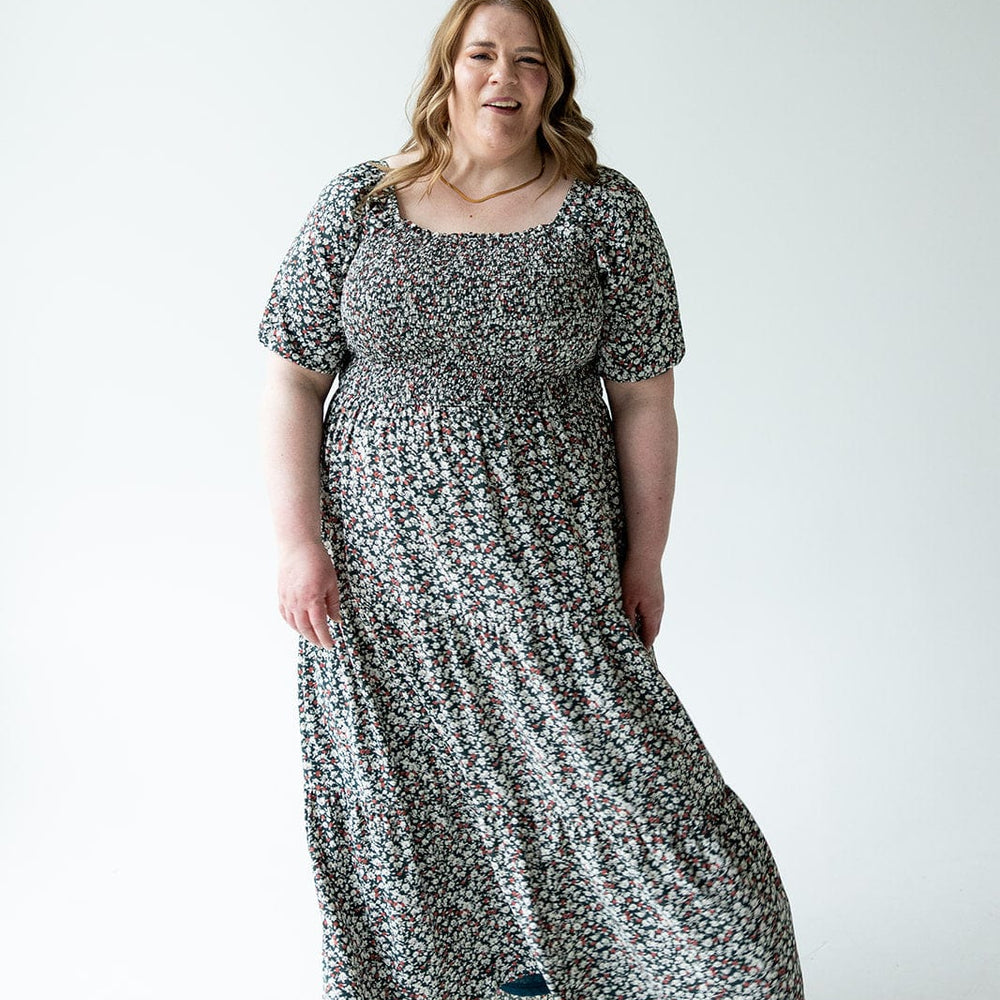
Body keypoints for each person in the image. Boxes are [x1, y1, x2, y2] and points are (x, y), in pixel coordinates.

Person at [258, 1, 805, 997]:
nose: (502, 77)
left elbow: (645, 401)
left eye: (528, 60)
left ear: (553, 82)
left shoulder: (603, 212)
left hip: (543, 577)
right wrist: (299, 545)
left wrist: (643, 558)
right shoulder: (359, 205)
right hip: (381, 597)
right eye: (481, 54)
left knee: (635, 803)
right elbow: (293, 377)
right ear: (447, 68)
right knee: (417, 816)